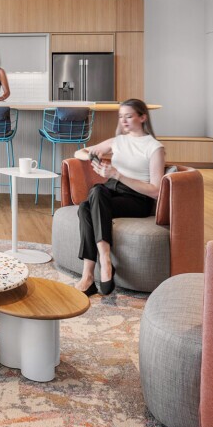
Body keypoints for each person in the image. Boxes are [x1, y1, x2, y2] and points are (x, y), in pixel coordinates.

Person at [71, 99, 165, 296]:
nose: (123, 121)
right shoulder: (118, 141)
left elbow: (156, 191)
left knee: (87, 205)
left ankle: (99, 266)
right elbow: (80, 151)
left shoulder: (154, 147)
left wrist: (117, 174)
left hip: (137, 198)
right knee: (92, 197)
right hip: (110, 192)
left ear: (142, 117)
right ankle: (93, 273)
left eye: (129, 116)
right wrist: (93, 157)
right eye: (121, 116)